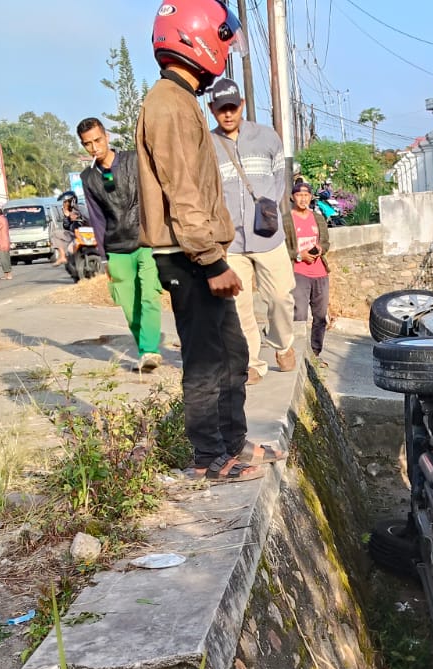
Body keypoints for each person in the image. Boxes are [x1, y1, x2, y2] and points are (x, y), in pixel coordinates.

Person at [139, 0, 281, 482]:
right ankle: (209, 458)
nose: (224, 52)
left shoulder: (181, 99)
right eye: (222, 41)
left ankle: (233, 443)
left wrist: (214, 255)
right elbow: (182, 190)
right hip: (187, 254)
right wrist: (211, 260)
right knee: (205, 361)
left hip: (201, 251)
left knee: (233, 354)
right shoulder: (168, 104)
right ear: (197, 38)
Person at [207, 78, 296, 385]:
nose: (228, 114)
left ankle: (283, 344)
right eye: (222, 109)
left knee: (281, 297)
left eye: (232, 107)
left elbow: (280, 179)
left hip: (268, 237)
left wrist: (267, 210)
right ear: (212, 109)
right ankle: (252, 363)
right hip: (231, 243)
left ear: (241, 105)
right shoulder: (208, 146)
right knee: (238, 306)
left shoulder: (267, 137)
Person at [78, 117, 164, 373]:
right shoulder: (89, 177)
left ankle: (150, 349)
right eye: (88, 144)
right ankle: (145, 351)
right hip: (116, 248)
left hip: (146, 240)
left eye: (98, 140)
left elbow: (154, 194)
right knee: (129, 306)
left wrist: (161, 234)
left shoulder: (134, 160)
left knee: (150, 296)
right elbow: (97, 218)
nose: (94, 147)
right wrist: (103, 257)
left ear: (107, 137)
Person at [283, 182, 332, 357]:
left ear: (311, 197)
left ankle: (315, 353)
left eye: (306, 195)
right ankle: (299, 352)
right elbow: (282, 249)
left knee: (320, 316)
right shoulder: (286, 220)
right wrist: (299, 255)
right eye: (299, 195)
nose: (303, 199)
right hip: (299, 272)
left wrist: (320, 249)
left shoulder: (318, 218)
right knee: (300, 314)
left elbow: (325, 242)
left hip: (320, 272)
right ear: (293, 197)